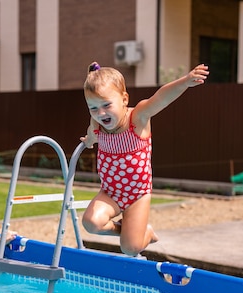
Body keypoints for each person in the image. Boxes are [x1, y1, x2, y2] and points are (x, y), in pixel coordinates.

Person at [80, 62, 209, 256]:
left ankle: (145, 233)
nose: (101, 113)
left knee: (130, 248)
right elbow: (92, 132)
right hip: (110, 192)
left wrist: (185, 82)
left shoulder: (137, 117)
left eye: (107, 105)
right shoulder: (97, 124)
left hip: (137, 195)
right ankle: (128, 231)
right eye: (93, 108)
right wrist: (89, 140)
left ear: (124, 99)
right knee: (91, 223)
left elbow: (161, 98)